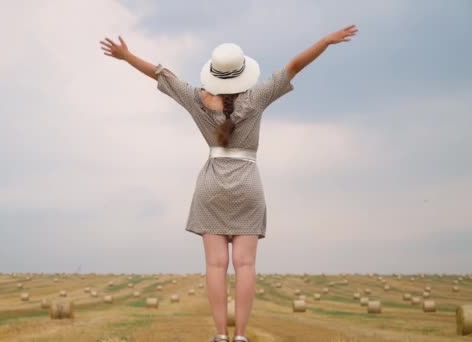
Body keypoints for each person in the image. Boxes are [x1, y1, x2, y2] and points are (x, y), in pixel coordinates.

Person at [100, 24, 357, 342]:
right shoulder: (259, 97)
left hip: (211, 187)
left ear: (213, 74)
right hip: (248, 184)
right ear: (243, 73)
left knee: (216, 265)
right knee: (245, 265)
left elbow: (159, 72)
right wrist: (325, 41)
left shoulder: (196, 99)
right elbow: (294, 66)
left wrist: (126, 56)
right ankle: (242, 335)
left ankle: (220, 334)